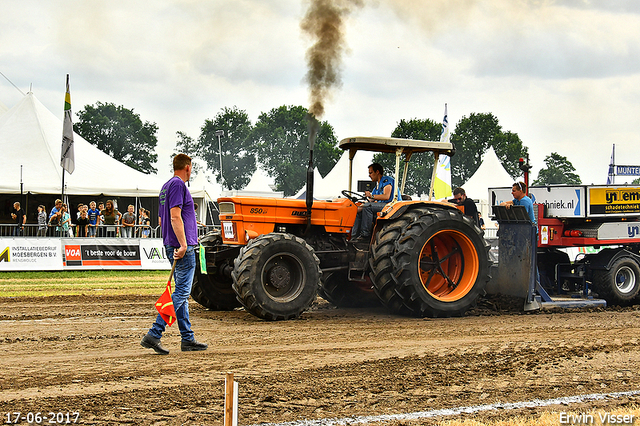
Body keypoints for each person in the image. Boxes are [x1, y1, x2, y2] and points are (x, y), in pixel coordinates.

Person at [141, 153, 207, 355]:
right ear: (187, 167)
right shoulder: (179, 185)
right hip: (181, 248)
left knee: (181, 294)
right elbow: (174, 216)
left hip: (171, 244)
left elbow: (163, 221)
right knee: (181, 293)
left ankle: (187, 339)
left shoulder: (166, 186)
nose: (192, 171)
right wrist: (184, 243)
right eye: (191, 167)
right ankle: (154, 333)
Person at [350, 163, 401, 241]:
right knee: (357, 210)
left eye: (371, 173)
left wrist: (370, 196)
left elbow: (386, 196)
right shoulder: (376, 187)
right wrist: (357, 207)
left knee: (367, 207)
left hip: (391, 206)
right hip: (382, 206)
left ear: (377, 172)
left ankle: (365, 235)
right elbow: (370, 200)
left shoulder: (386, 180)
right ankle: (353, 237)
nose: (369, 175)